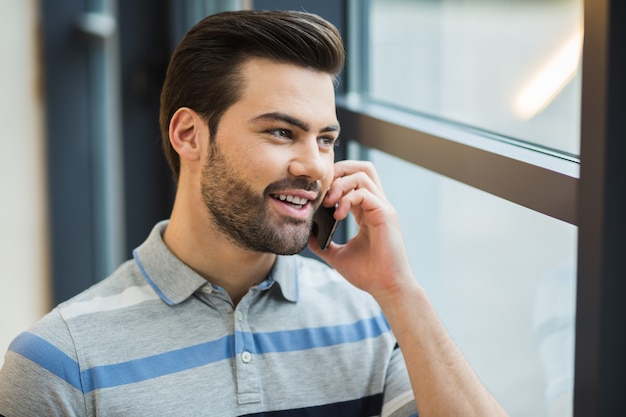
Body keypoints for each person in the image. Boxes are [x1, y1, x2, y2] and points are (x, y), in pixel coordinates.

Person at [0, 10, 507, 416]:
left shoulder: (368, 319)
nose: (314, 167)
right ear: (189, 135)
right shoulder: (60, 363)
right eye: (281, 132)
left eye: (325, 139)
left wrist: (401, 294)